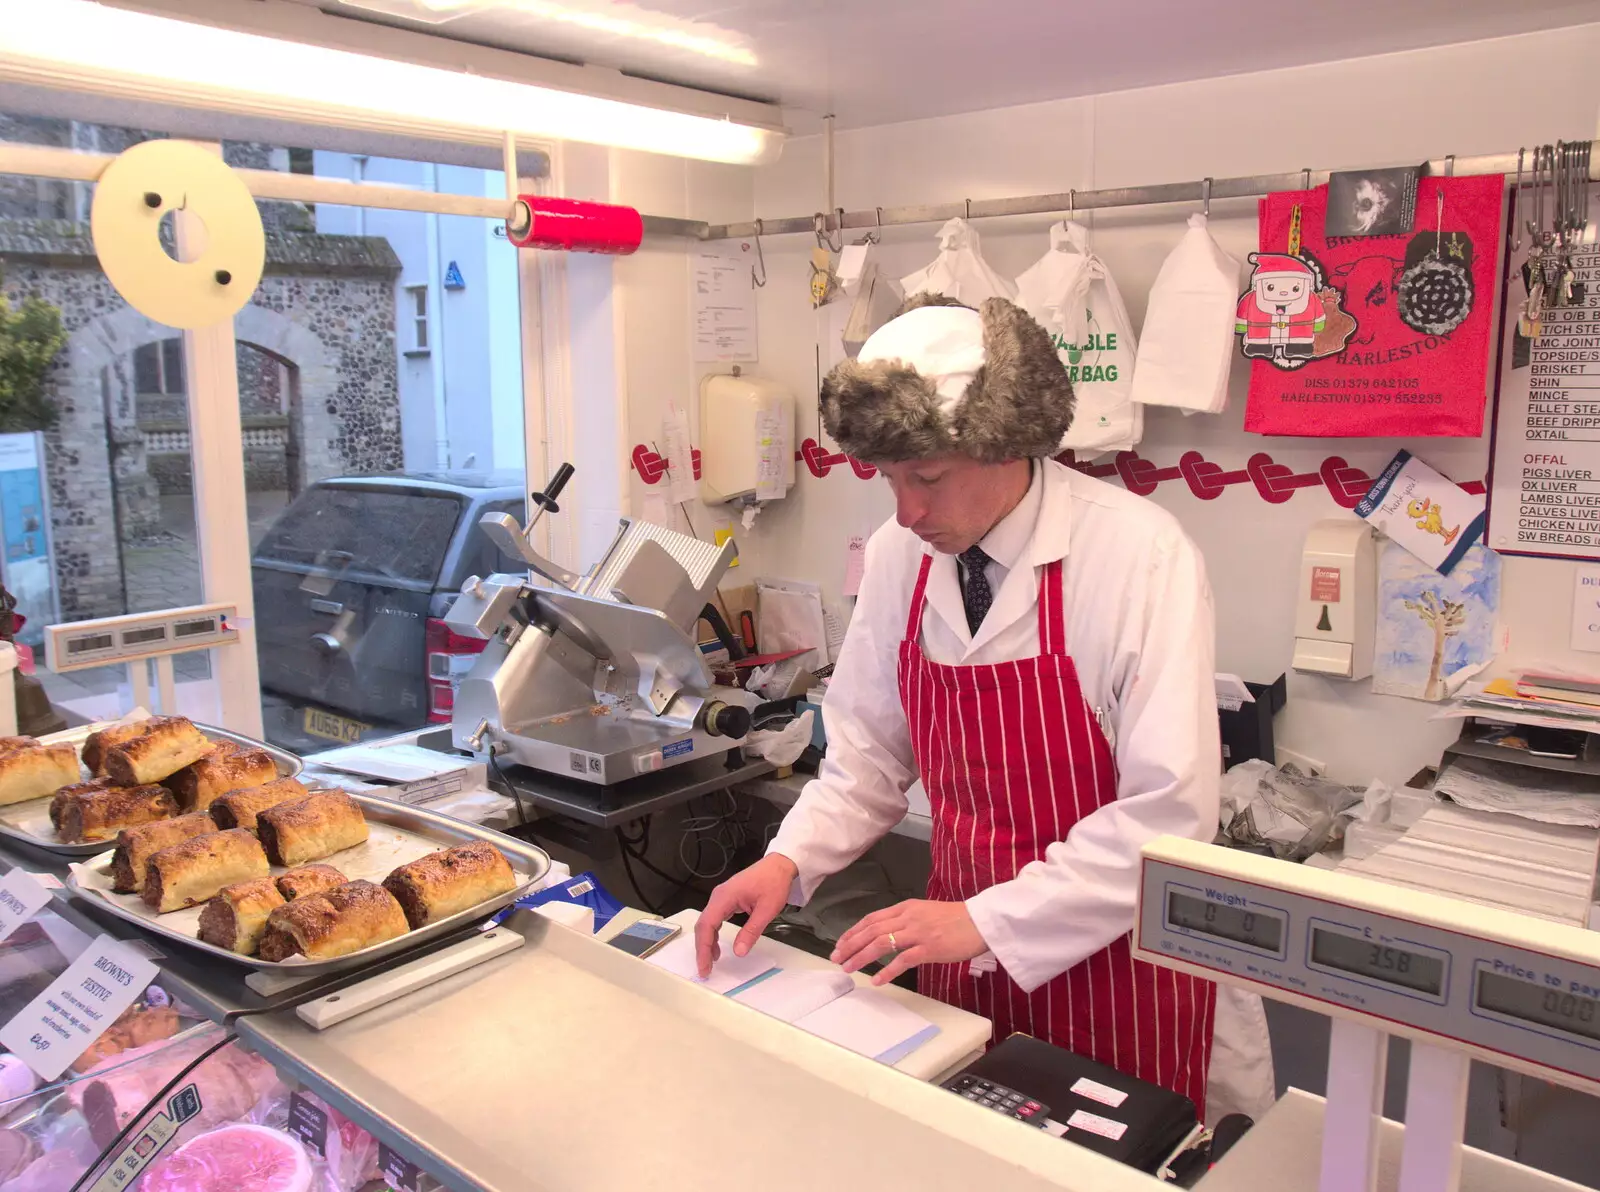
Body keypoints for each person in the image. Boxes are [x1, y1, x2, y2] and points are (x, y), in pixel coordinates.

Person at [697, 293, 1270, 1120]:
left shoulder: (1139, 554)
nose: (906, 511)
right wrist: (788, 861)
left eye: (926, 478)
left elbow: (1169, 817)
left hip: (1121, 967)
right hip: (957, 955)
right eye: (890, 480)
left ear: (1007, 445)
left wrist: (990, 921)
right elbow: (865, 758)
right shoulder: (903, 557)